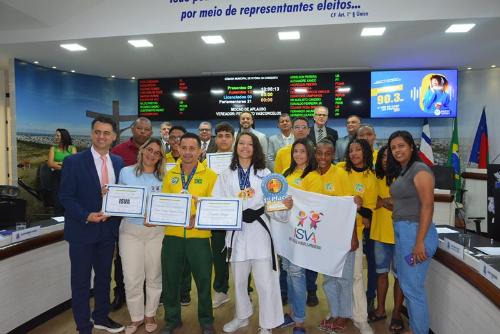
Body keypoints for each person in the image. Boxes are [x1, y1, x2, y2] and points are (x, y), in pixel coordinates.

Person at [215, 132, 292, 334]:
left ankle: (267, 323)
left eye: (250, 144)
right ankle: (242, 316)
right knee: (239, 281)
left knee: (265, 282)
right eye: (242, 143)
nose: (245, 147)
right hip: (237, 232)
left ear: (255, 148)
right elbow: (218, 205)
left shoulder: (266, 174)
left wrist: (283, 206)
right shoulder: (225, 174)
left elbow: (278, 211)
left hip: (260, 232)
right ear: (236, 146)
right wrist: (229, 215)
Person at [59, 116, 124, 334]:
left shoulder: (118, 162)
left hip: (107, 232)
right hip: (82, 231)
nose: (101, 136)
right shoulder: (73, 162)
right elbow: (66, 197)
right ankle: (84, 326)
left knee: (105, 278)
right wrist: (86, 215)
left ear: (114, 137)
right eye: (97, 132)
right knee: (81, 282)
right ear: (91, 134)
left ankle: (101, 317)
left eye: (106, 133)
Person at [160, 133, 217, 334]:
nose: (187, 152)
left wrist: (196, 218)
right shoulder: (170, 174)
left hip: (199, 237)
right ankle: (172, 319)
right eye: (184, 148)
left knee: (203, 281)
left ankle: (206, 320)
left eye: (192, 148)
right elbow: (164, 204)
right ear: (178, 149)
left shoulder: (210, 175)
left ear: (200, 150)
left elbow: (214, 207)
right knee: (170, 280)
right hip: (173, 236)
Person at [387, 131, 439, 334]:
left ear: (411, 147)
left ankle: (419, 331)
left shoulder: (420, 169)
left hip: (415, 234)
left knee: (412, 290)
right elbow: (405, 202)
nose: (396, 150)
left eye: (401, 146)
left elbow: (427, 206)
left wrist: (419, 242)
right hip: (403, 232)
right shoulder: (403, 171)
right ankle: (418, 329)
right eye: (393, 148)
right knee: (408, 286)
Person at [116, 137, 165, 334]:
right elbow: (119, 201)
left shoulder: (165, 177)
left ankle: (150, 314)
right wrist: (108, 194)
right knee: (132, 277)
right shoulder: (125, 172)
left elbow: (168, 205)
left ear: (161, 157)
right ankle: (136, 317)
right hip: (130, 232)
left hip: (156, 232)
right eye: (149, 150)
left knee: (154, 275)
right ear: (142, 150)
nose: (152, 155)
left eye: (157, 152)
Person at [315, 139, 360, 333]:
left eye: (327, 154)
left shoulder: (341, 175)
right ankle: (334, 313)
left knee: (344, 278)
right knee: (328, 279)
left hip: (342, 236)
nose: (323, 157)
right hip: (324, 238)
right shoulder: (310, 177)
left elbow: (350, 208)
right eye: (320, 153)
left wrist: (353, 237)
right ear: (315, 154)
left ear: (333, 155)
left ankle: (344, 315)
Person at [278, 138, 323, 334]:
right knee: (287, 271)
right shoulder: (285, 174)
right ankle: (291, 312)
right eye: (295, 151)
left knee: (297, 274)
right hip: (284, 231)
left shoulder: (313, 176)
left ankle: (300, 321)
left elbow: (313, 206)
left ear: (309, 154)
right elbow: (278, 201)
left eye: (302, 151)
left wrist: (292, 203)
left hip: (301, 233)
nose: (298, 155)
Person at [110, 116, 154, 311]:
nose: (142, 132)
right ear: (132, 130)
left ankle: (146, 299)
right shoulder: (118, 153)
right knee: (124, 263)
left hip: (152, 225)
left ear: (150, 133)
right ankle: (120, 293)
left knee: (150, 267)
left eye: (146, 130)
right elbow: (114, 185)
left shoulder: (158, 156)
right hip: (127, 220)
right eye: (139, 129)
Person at [369, 145, 405, 332]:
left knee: (400, 276)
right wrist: (387, 202)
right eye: (382, 156)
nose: (385, 159)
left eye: (388, 156)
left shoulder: (404, 178)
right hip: (379, 234)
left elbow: (404, 206)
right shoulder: (375, 178)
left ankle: (397, 314)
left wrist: (384, 202)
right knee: (381, 274)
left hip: (401, 236)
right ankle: (381, 309)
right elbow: (371, 202)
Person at [343, 138, 376, 334]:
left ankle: (361, 318)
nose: (354, 154)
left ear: (365, 152)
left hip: (355, 234)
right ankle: (339, 312)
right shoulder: (340, 170)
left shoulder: (370, 177)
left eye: (358, 150)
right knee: (334, 276)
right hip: (334, 232)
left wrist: (359, 206)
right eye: (351, 150)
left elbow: (369, 217)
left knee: (356, 276)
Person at [205, 122, 235, 309]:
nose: (223, 139)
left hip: (238, 215)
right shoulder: (207, 161)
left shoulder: (242, 158)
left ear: (233, 138)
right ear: (216, 138)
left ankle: (245, 290)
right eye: (220, 135)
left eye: (227, 135)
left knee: (240, 255)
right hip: (216, 215)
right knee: (218, 255)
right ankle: (221, 291)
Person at [355, 124, 378, 312]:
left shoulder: (383, 158)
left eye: (368, 134)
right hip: (357, 219)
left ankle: (371, 297)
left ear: (374, 136)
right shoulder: (352, 161)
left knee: (373, 261)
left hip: (378, 219)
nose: (365, 137)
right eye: (361, 135)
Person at [47, 128, 77, 215]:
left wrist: (59, 163)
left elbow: (74, 164)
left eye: (58, 135)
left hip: (70, 178)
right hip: (57, 177)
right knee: (57, 201)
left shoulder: (72, 148)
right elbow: (50, 164)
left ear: (64, 137)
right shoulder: (53, 148)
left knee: (69, 200)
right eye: (55, 135)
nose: (55, 137)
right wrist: (66, 164)